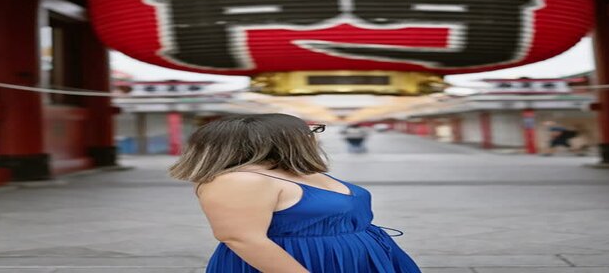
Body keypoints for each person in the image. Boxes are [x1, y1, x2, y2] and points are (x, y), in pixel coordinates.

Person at [169, 113, 421, 273]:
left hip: (355, 259)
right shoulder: (239, 180)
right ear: (276, 141)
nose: (314, 137)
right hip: (302, 263)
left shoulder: (292, 171)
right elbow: (242, 239)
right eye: (309, 131)